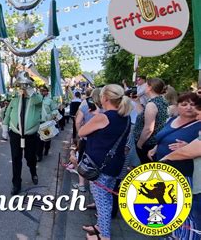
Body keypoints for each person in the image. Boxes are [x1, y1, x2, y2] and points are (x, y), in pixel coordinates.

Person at [79, 84, 132, 240]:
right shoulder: (125, 117)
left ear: (105, 98)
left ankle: (104, 235)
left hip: (99, 165)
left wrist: (96, 116)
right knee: (106, 198)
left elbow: (82, 132)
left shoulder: (103, 117)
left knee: (102, 201)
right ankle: (100, 227)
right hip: (115, 164)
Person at [147, 92, 201, 239]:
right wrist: (155, 149)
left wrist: (188, 147)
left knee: (186, 212)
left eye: (193, 104)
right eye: (184, 104)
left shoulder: (199, 125)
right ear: (177, 106)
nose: (189, 107)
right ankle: (174, 235)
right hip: (165, 172)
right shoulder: (172, 119)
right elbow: (163, 137)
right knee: (170, 207)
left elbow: (196, 149)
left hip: (184, 173)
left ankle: (185, 236)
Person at [3, 74, 42, 195]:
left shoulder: (36, 99)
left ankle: (33, 171)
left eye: (25, 86)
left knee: (30, 158)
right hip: (16, 134)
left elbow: (38, 101)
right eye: (22, 87)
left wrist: (29, 88)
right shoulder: (15, 99)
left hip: (30, 136)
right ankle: (16, 184)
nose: (23, 89)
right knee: (16, 159)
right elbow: (8, 114)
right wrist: (4, 128)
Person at [72, 88, 102, 192]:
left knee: (82, 161)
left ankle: (81, 184)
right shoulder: (106, 109)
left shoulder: (85, 107)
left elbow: (78, 122)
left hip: (86, 138)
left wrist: (80, 133)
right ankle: (95, 186)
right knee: (96, 162)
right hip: (100, 140)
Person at [133, 78, 169, 164]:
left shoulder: (151, 104)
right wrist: (137, 102)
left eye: (145, 85)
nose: (143, 87)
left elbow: (148, 129)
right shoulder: (161, 100)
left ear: (149, 87)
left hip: (148, 144)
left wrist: (139, 144)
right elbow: (142, 114)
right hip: (156, 142)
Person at [36, 86, 58, 160]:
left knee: (47, 138)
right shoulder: (36, 100)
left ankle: (47, 148)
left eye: (44, 91)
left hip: (46, 122)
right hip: (37, 122)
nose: (42, 92)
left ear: (47, 92)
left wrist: (50, 116)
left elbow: (55, 110)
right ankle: (39, 155)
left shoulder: (50, 101)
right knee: (39, 139)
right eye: (41, 90)